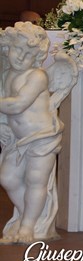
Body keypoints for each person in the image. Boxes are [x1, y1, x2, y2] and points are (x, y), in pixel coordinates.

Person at [0, 22, 77, 244]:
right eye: (18, 49)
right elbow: (6, 112)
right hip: (18, 139)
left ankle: (27, 227)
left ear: (37, 56)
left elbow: (17, 105)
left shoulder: (38, 76)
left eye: (28, 53)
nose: (21, 57)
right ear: (8, 49)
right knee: (7, 177)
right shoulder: (6, 74)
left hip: (42, 137)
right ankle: (32, 216)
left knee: (35, 181)